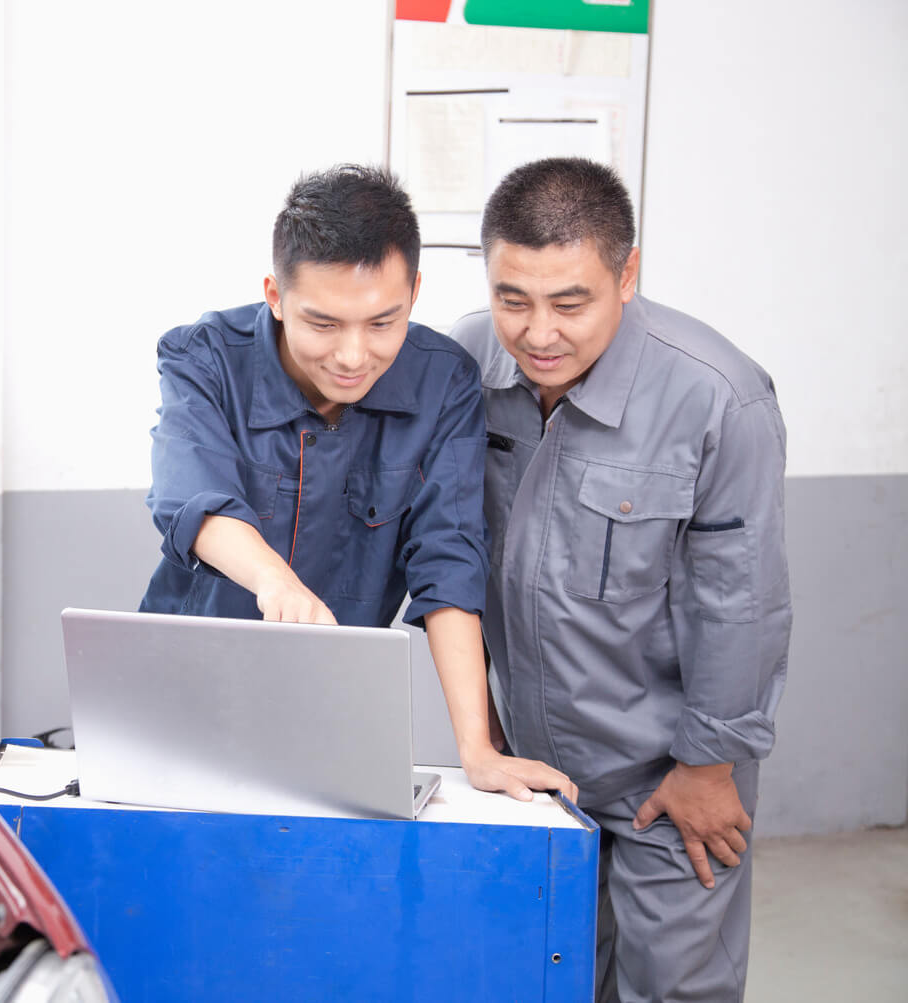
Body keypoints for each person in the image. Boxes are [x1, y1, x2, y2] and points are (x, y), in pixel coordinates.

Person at [452, 157, 791, 1002]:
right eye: (512, 299)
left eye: (571, 302)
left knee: (671, 987)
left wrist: (710, 765)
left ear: (627, 273)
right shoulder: (463, 364)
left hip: (668, 774)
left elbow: (740, 600)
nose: (538, 333)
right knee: (540, 978)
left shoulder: (717, 397)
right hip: (531, 768)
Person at [138, 164, 572, 802]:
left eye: (382, 324)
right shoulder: (203, 357)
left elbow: (448, 556)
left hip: (333, 711)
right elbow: (191, 499)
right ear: (276, 295)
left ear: (415, 293)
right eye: (323, 323)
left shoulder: (443, 382)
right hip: (179, 697)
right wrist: (276, 582)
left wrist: (476, 749)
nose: (351, 355)